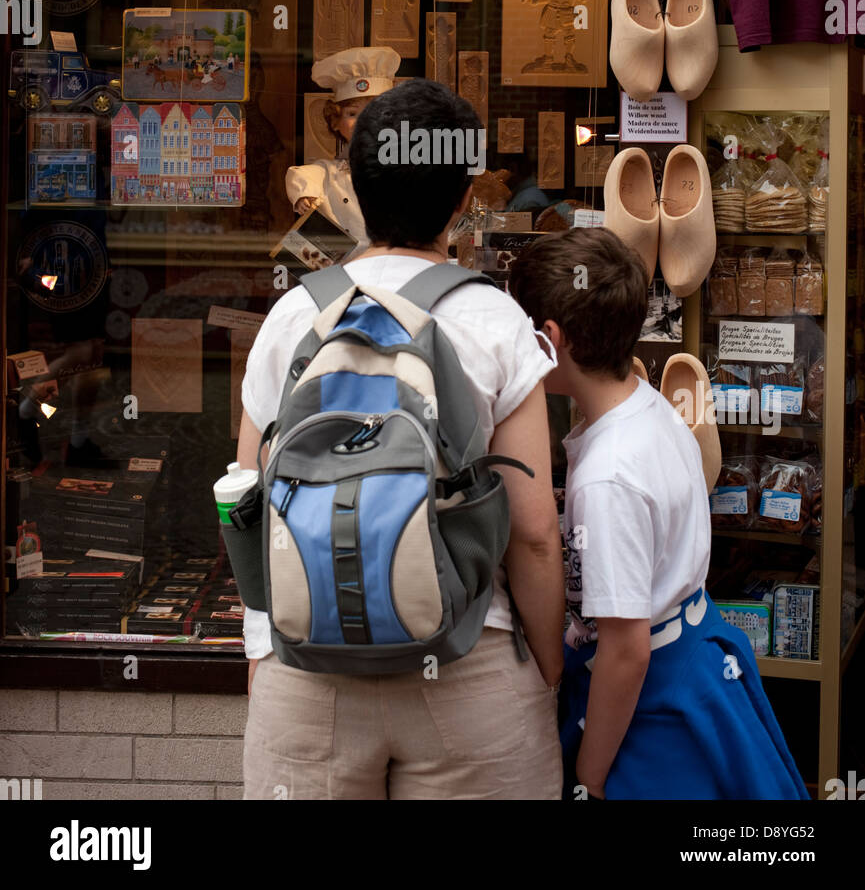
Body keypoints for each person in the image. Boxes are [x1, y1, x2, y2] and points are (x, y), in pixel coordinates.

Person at [238, 79, 564, 800]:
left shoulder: (291, 317)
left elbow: (243, 504)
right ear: (460, 198)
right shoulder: (495, 320)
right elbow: (535, 533)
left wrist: (265, 653)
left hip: (307, 673)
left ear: (353, 185)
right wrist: (544, 669)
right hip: (466, 663)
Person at [508, 226, 810, 801]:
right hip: (694, 661)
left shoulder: (606, 476)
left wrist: (590, 778)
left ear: (550, 339)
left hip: (651, 708)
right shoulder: (653, 408)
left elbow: (626, 649)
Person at [285, 46, 402, 247]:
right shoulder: (329, 174)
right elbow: (304, 175)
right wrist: (305, 195)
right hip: (344, 273)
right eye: (352, 114)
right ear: (335, 121)